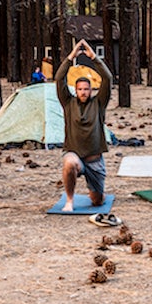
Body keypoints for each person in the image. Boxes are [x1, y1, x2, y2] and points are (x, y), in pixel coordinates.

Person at [55, 39, 113, 212]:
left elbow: (107, 78)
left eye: (86, 89)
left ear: (91, 90)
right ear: (76, 90)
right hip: (75, 155)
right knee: (69, 163)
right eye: (80, 89)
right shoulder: (67, 103)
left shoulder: (99, 103)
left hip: (94, 159)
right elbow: (59, 78)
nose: (83, 92)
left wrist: (93, 57)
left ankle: (95, 192)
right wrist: (71, 57)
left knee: (97, 201)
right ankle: (70, 201)